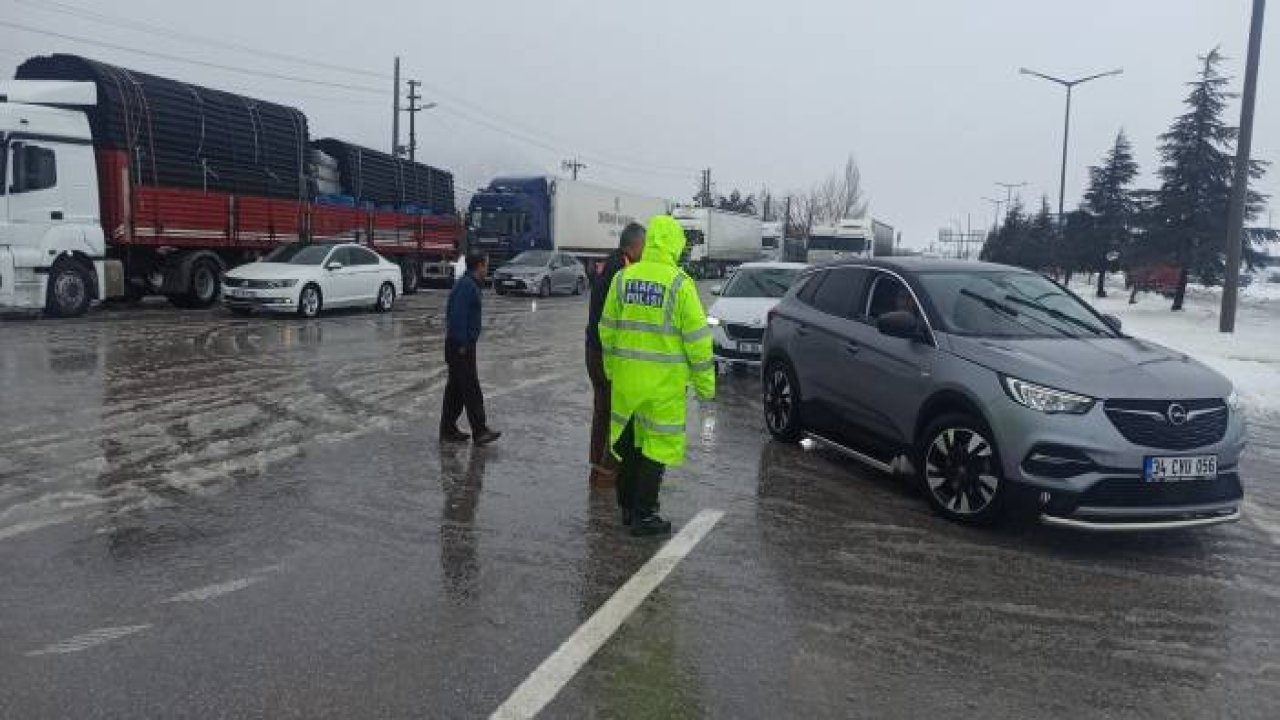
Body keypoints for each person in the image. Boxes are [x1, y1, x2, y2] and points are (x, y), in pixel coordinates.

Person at [599, 215, 715, 536]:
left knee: (630, 446)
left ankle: (627, 509)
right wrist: (707, 389)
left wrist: (611, 369)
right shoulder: (680, 285)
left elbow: (606, 329)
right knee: (656, 448)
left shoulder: (624, 278)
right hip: (663, 385)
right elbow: (698, 343)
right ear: (676, 244)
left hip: (627, 381)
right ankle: (645, 514)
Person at [586, 222, 647, 489]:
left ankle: (597, 467)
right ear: (635, 246)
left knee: (602, 410)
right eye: (644, 246)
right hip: (606, 354)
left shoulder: (609, 263)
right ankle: (608, 474)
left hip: (593, 349)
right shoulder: (622, 270)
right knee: (617, 414)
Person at [440, 253, 501, 446]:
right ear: (480, 266)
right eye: (486, 265)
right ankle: (480, 431)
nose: (487, 269)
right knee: (471, 389)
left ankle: (448, 429)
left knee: (456, 390)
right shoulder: (467, 287)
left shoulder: (467, 284)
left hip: (459, 345)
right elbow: (456, 317)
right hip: (461, 347)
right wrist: (463, 345)